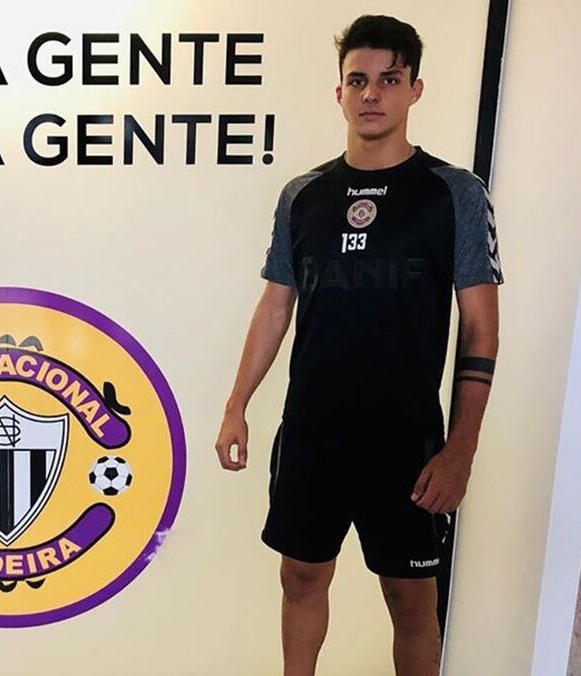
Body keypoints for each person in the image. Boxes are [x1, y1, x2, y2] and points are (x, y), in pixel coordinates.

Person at [214, 15, 503, 676]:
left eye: (389, 80)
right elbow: (276, 304)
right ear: (339, 92)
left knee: (411, 599)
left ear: (415, 89)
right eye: (358, 80)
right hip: (313, 433)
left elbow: (481, 330)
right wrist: (236, 405)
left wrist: (461, 450)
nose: (372, 93)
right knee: (300, 578)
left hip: (405, 441)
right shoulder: (303, 196)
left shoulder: (453, 193)